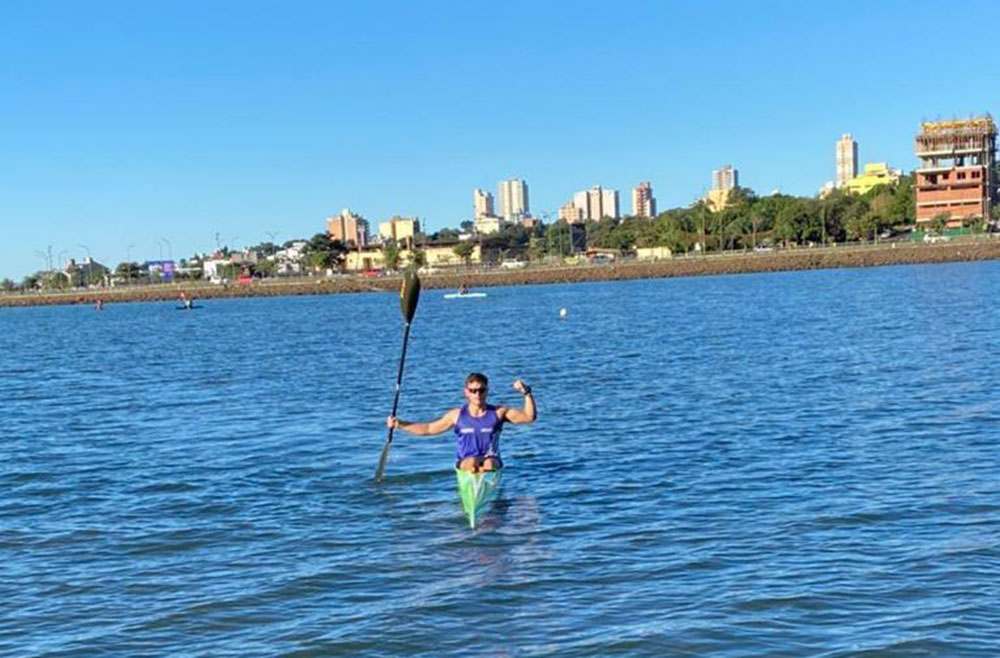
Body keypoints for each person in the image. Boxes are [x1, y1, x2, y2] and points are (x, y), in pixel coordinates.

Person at [387, 373, 536, 472]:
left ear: (487, 391)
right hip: (466, 461)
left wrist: (527, 393)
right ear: (466, 392)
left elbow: (529, 417)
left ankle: (485, 492)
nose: (477, 394)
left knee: (489, 464)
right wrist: (400, 424)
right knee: (471, 464)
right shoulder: (456, 415)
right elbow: (429, 428)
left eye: (481, 390)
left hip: (492, 460)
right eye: (473, 390)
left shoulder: (498, 412)